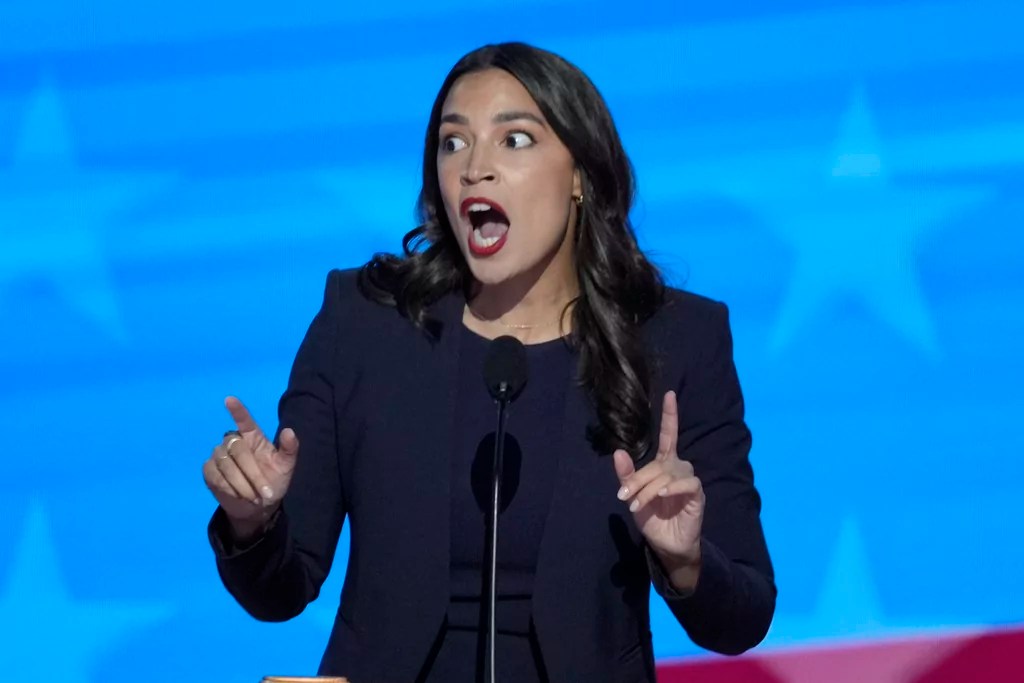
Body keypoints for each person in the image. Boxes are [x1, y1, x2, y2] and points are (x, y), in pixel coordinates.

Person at [203, 41, 776, 682]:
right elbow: (280, 591)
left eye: (515, 141)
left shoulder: (676, 339)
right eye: (453, 143)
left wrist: (686, 559)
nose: (475, 168)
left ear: (581, 175)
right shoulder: (365, 322)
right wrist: (252, 521)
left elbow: (744, 617)